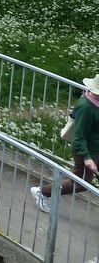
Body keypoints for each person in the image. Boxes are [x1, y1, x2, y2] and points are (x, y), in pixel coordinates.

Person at [30, 73, 99, 212]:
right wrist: (86, 157)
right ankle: (42, 192)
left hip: (95, 149)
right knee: (80, 183)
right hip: (87, 150)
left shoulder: (95, 104)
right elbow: (79, 136)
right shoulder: (86, 107)